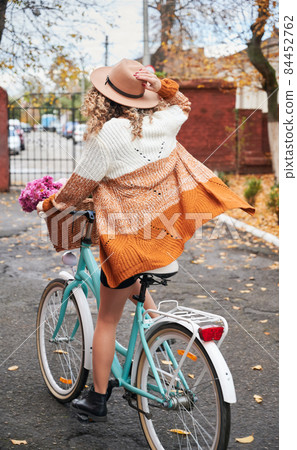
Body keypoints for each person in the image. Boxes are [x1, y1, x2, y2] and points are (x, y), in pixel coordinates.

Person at [38, 58, 254, 422]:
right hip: (161, 234)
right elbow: (182, 103)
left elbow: (78, 187)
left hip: (126, 240)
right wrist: (159, 86)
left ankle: (98, 399)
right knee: (138, 281)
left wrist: (51, 204)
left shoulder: (108, 135)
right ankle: (160, 342)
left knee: (106, 319)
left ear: (104, 99)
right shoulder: (165, 122)